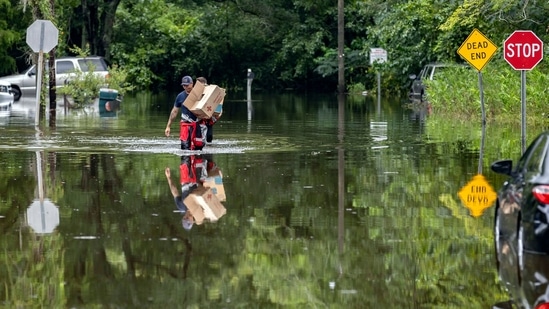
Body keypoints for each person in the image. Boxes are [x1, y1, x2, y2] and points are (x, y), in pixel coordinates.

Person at [165, 75, 201, 150]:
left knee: (198, 147)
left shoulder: (199, 94)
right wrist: (168, 126)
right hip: (185, 124)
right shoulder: (180, 96)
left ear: (192, 83)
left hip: (197, 124)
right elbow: (174, 112)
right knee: (184, 147)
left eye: (187, 85)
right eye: (184, 85)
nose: (185, 87)